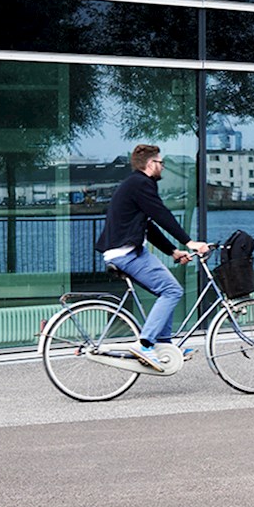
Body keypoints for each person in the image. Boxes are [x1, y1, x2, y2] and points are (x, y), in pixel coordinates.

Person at [92, 144, 211, 371]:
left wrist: (173, 251)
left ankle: (164, 345)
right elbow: (161, 214)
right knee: (172, 291)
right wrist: (189, 242)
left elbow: (149, 225)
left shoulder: (135, 185)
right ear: (150, 164)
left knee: (168, 289)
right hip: (126, 253)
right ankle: (146, 343)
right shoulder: (141, 184)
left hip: (127, 250)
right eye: (160, 162)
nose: (163, 166)